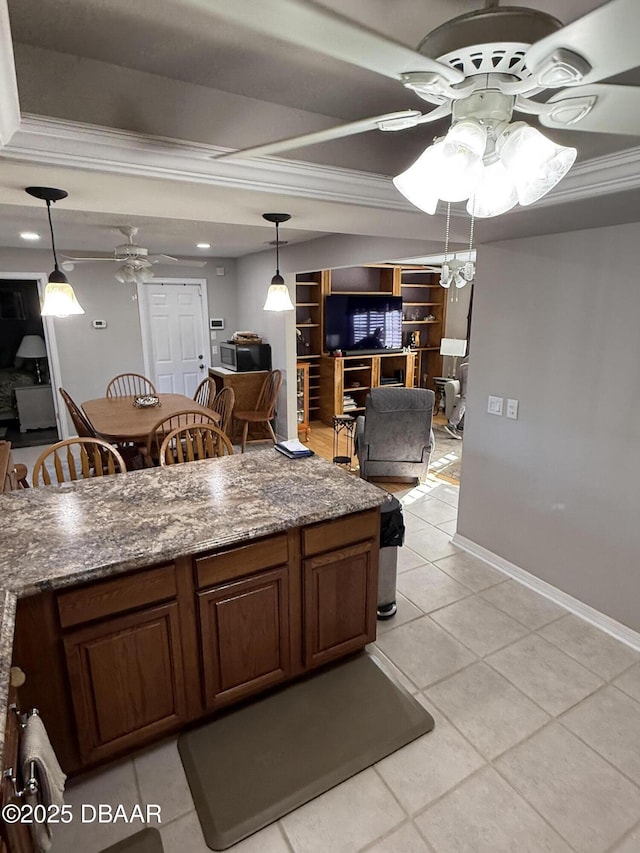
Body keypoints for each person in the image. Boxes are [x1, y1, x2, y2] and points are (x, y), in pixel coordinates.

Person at [444, 361, 468, 440]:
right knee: (465, 399)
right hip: (472, 369)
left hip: (466, 368)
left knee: (464, 398)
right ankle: (452, 424)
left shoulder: (463, 366)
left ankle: (459, 425)